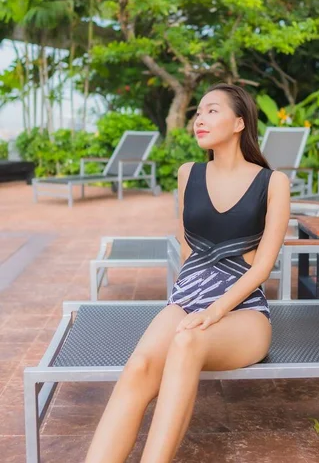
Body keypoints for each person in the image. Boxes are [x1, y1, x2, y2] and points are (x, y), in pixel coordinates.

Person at [85, 83, 291, 463]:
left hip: (242, 313)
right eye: (198, 112)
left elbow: (263, 265)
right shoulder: (188, 174)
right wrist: (188, 301)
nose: (200, 119)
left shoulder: (272, 182)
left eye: (212, 111)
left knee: (186, 343)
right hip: (187, 300)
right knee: (138, 367)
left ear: (239, 123)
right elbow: (186, 247)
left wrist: (213, 311)